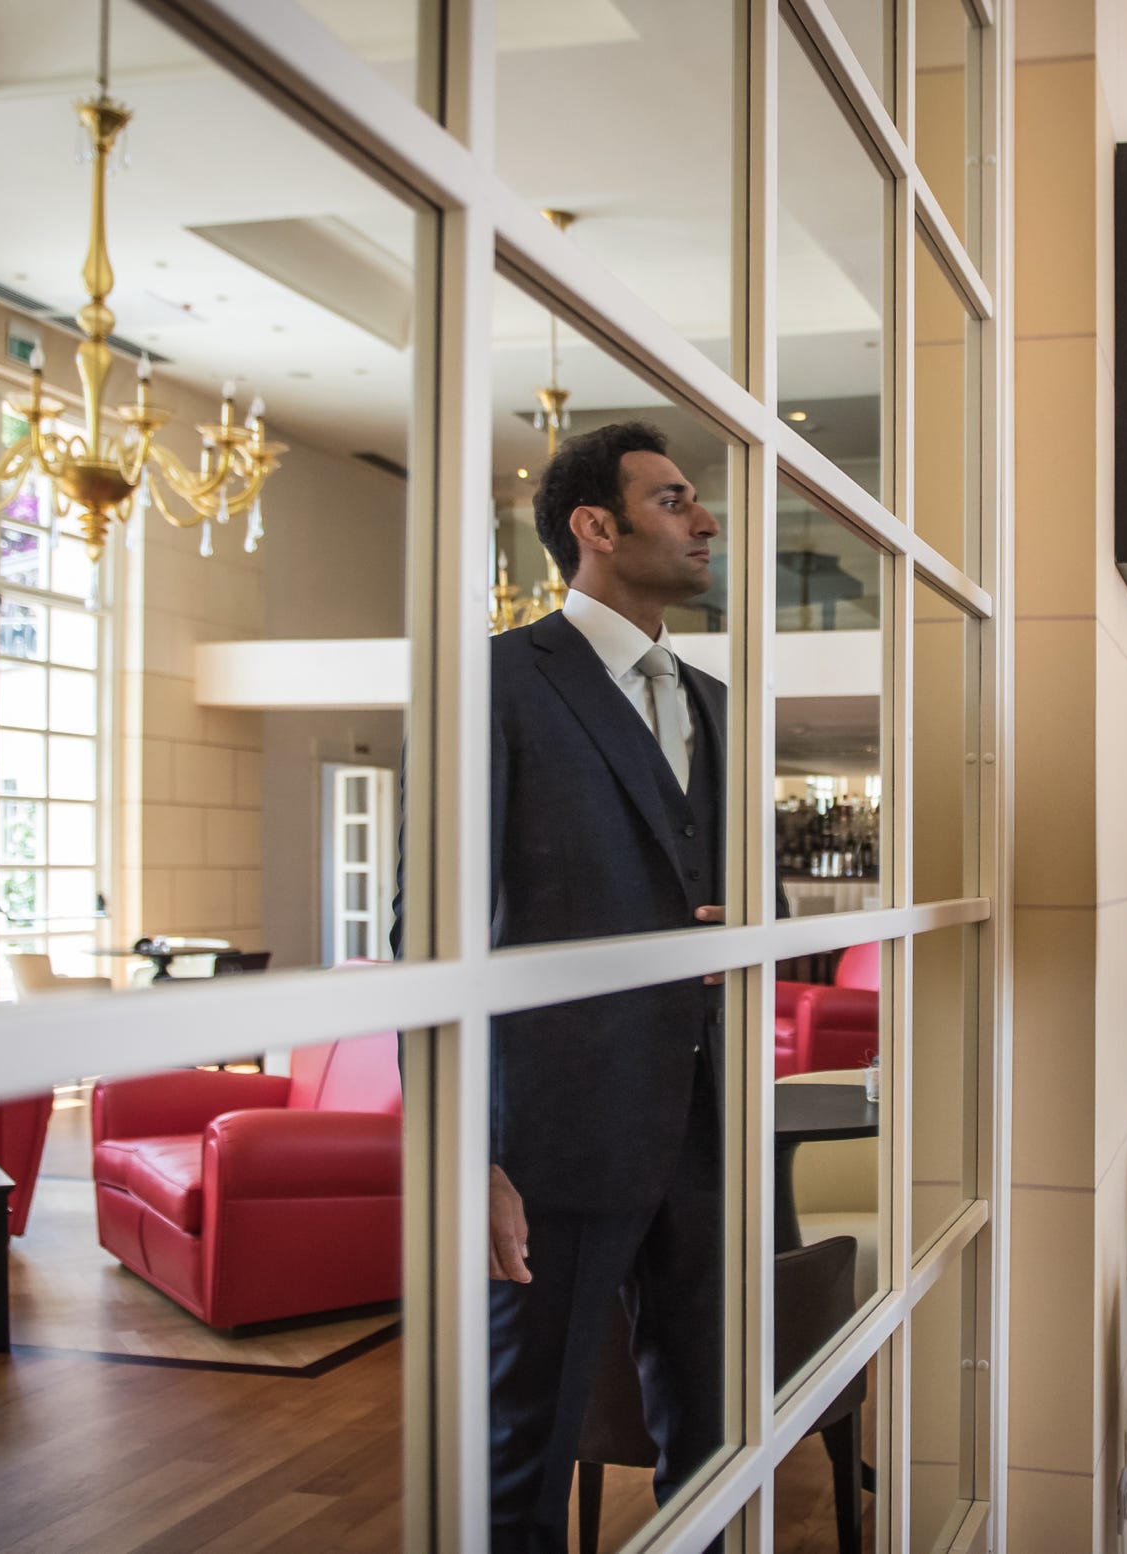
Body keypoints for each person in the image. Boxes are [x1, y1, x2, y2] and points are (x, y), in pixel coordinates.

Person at [487, 421, 730, 1551]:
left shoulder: (717, 702)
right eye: (676, 500)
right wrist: (469, 1153)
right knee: (524, 1455)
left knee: (720, 1441)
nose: (708, 520)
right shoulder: (495, 682)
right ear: (596, 527)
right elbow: (423, 938)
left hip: (713, 1131)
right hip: (554, 1144)